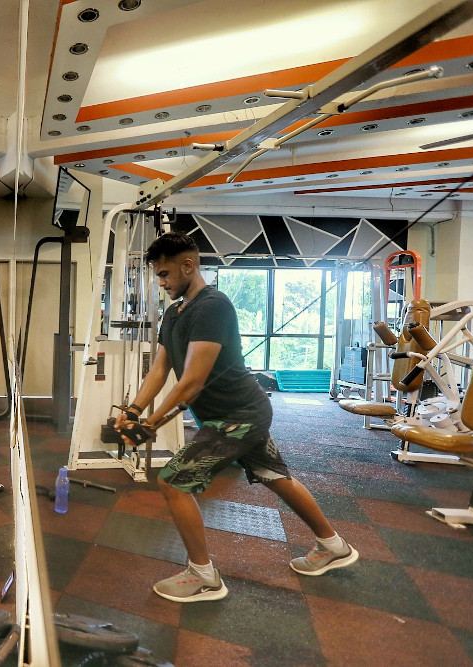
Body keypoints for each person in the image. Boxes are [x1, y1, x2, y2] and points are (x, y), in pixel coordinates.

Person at [115, 232, 357, 603]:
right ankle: (333, 545)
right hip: (236, 413)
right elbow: (160, 369)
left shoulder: (212, 306)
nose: (161, 283)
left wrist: (151, 425)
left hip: (238, 415)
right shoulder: (175, 313)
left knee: (173, 482)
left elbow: (192, 381)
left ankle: (204, 577)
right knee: (274, 476)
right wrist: (134, 411)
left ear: (188, 265)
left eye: (164, 274)